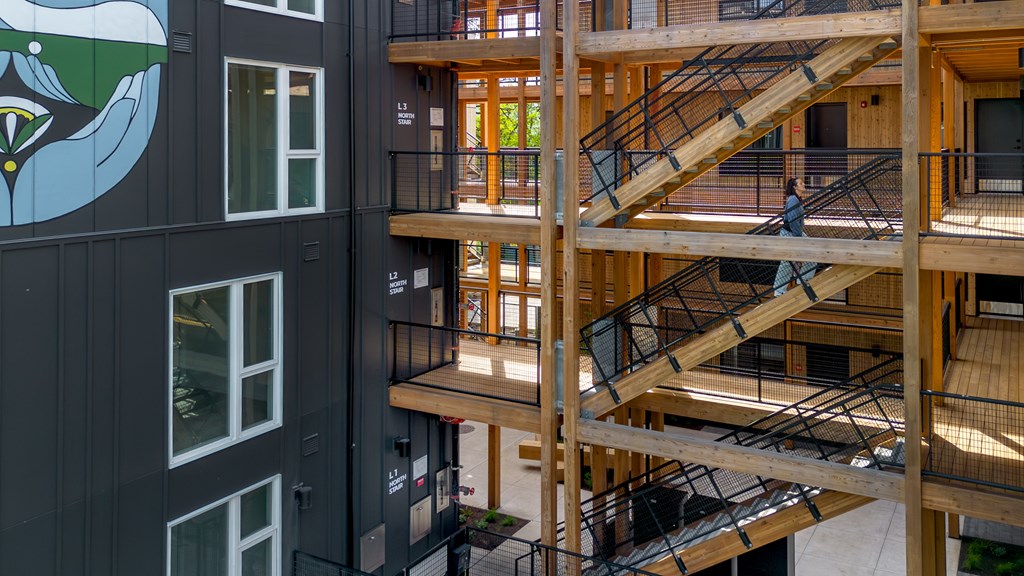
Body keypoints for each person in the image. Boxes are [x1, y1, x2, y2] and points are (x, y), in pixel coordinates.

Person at [773, 177, 817, 296]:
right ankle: (779, 290)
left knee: (812, 253)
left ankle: (802, 279)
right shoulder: (793, 200)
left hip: (795, 233)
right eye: (801, 183)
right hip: (791, 234)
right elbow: (792, 219)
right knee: (787, 262)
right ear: (795, 187)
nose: (803, 184)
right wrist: (798, 237)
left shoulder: (797, 199)